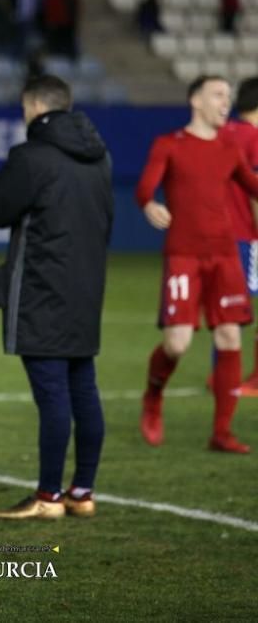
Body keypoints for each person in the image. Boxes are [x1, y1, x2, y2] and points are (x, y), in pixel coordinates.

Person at [0, 75, 112, 520]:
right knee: (83, 389)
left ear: (33, 107)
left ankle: (48, 496)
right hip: (86, 292)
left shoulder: (31, 156)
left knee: (53, 395)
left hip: (40, 292)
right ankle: (83, 491)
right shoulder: (100, 156)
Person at [138, 75, 258, 455]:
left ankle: (221, 432)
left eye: (228, 96)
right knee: (177, 343)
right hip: (184, 255)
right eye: (218, 95)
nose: (226, 102)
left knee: (229, 337)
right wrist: (150, 204)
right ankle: (153, 396)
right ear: (196, 101)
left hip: (224, 255)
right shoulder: (169, 145)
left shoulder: (228, 147)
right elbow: (145, 186)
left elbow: (251, 184)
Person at [220, 77, 258, 395]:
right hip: (247, 234)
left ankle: (220, 375)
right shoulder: (254, 138)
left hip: (216, 233)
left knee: (225, 308)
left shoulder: (222, 133)